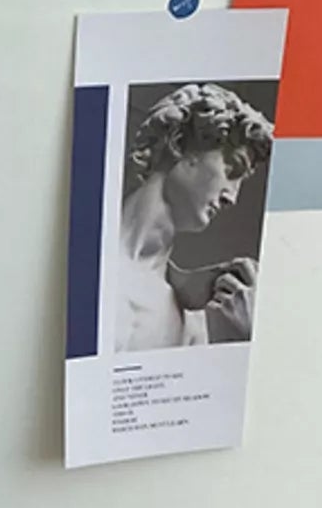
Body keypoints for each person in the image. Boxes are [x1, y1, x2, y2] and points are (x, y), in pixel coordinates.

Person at [116, 83, 273, 352]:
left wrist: (249, 338)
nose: (231, 197)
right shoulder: (77, 253)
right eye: (232, 168)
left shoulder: (191, 321)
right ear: (178, 143)